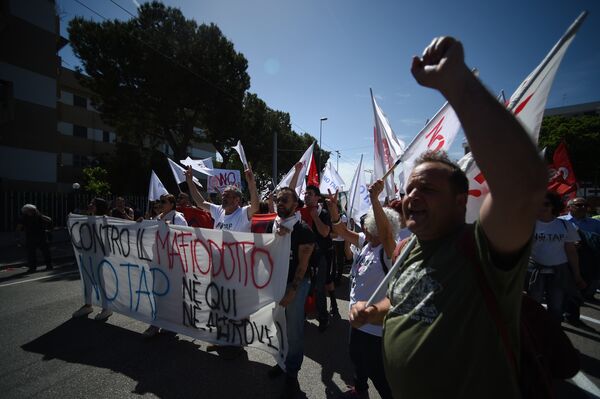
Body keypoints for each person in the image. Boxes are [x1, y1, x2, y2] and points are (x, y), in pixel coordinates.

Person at [350, 36, 547, 398]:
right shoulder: (409, 251)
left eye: (426, 189)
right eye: (409, 188)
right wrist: (371, 311)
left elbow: (523, 187)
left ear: (462, 201)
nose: (411, 197)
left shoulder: (481, 249)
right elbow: (402, 301)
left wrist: (458, 85)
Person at [326, 180, 397, 399]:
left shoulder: (388, 249)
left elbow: (386, 235)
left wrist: (375, 199)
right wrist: (333, 209)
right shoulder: (365, 242)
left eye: (366, 221)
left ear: (374, 225)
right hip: (356, 318)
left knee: (378, 371)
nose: (362, 224)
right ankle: (360, 390)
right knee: (355, 357)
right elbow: (340, 230)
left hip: (374, 325)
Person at [266, 187, 315, 399]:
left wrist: (292, 291)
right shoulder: (272, 225)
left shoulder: (303, 230)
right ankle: (282, 362)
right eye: (277, 200)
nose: (280, 203)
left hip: (295, 285)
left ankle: (292, 374)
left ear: (295, 204)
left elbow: (302, 266)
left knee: (293, 331)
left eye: (285, 200)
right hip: (275, 284)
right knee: (278, 327)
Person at [527, 191, 584, 323]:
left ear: (554, 206)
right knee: (533, 305)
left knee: (556, 307)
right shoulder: (529, 224)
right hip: (535, 272)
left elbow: (571, 251)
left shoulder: (564, 225)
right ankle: (535, 336)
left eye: (546, 204)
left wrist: (577, 275)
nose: (542, 207)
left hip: (559, 272)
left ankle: (554, 335)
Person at [143, 193, 188, 337]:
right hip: (158, 262)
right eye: (159, 202)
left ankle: (170, 323)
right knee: (158, 293)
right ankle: (157, 323)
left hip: (173, 263)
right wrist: (141, 224)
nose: (161, 204)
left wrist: (171, 229)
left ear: (172, 204)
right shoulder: (157, 218)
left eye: (163, 201)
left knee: (172, 294)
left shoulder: (177, 218)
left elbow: (185, 237)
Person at [72, 198, 114, 321]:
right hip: (86, 253)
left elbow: (107, 238)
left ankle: (107, 307)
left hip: (98, 255)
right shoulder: (87, 219)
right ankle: (87, 304)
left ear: (99, 207)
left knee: (100, 280)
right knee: (87, 280)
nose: (89, 205)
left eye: (93, 204)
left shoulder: (104, 219)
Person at [560, 197, 600, 324]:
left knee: (579, 290)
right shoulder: (559, 222)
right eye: (579, 205)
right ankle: (564, 314)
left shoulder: (595, 224)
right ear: (569, 207)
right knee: (563, 290)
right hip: (564, 260)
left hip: (586, 263)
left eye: (585, 205)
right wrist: (568, 245)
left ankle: (572, 315)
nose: (583, 208)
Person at [299, 185, 334, 331]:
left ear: (317, 197)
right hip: (304, 257)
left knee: (319, 288)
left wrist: (314, 217)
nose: (306, 195)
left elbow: (325, 232)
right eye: (305, 193)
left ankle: (323, 317)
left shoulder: (323, 213)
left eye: (310, 194)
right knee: (304, 288)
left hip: (320, 257)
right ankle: (303, 314)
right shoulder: (300, 212)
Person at [185, 166, 259, 232]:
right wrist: (190, 182)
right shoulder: (219, 210)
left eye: (227, 196)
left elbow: (255, 207)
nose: (223, 198)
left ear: (237, 200)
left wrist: (251, 183)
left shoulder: (242, 213)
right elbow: (200, 203)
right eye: (223, 195)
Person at [16, 204, 53, 273]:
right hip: (32, 237)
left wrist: (49, 229)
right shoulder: (24, 217)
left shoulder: (39, 216)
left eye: (30, 210)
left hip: (41, 236)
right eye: (28, 211)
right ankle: (33, 268)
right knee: (32, 253)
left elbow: (49, 220)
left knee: (45, 252)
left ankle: (48, 265)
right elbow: (19, 227)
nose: (29, 212)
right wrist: (18, 237)